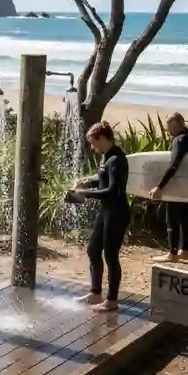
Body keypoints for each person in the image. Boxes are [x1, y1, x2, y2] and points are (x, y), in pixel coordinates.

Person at [70, 121, 130, 313]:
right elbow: (103, 179)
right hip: (106, 211)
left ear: (102, 138)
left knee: (111, 256)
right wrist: (88, 182)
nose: (93, 148)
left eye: (94, 144)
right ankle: (95, 293)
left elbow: (112, 190)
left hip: (117, 213)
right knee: (93, 249)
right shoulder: (107, 157)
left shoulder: (117, 160)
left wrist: (85, 194)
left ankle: (112, 300)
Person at [149, 112, 188, 261]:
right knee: (187, 219)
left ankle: (172, 254)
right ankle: (184, 251)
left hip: (179, 184)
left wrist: (160, 187)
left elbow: (174, 165)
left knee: (172, 218)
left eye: (169, 127)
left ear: (177, 124)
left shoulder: (179, 140)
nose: (168, 131)